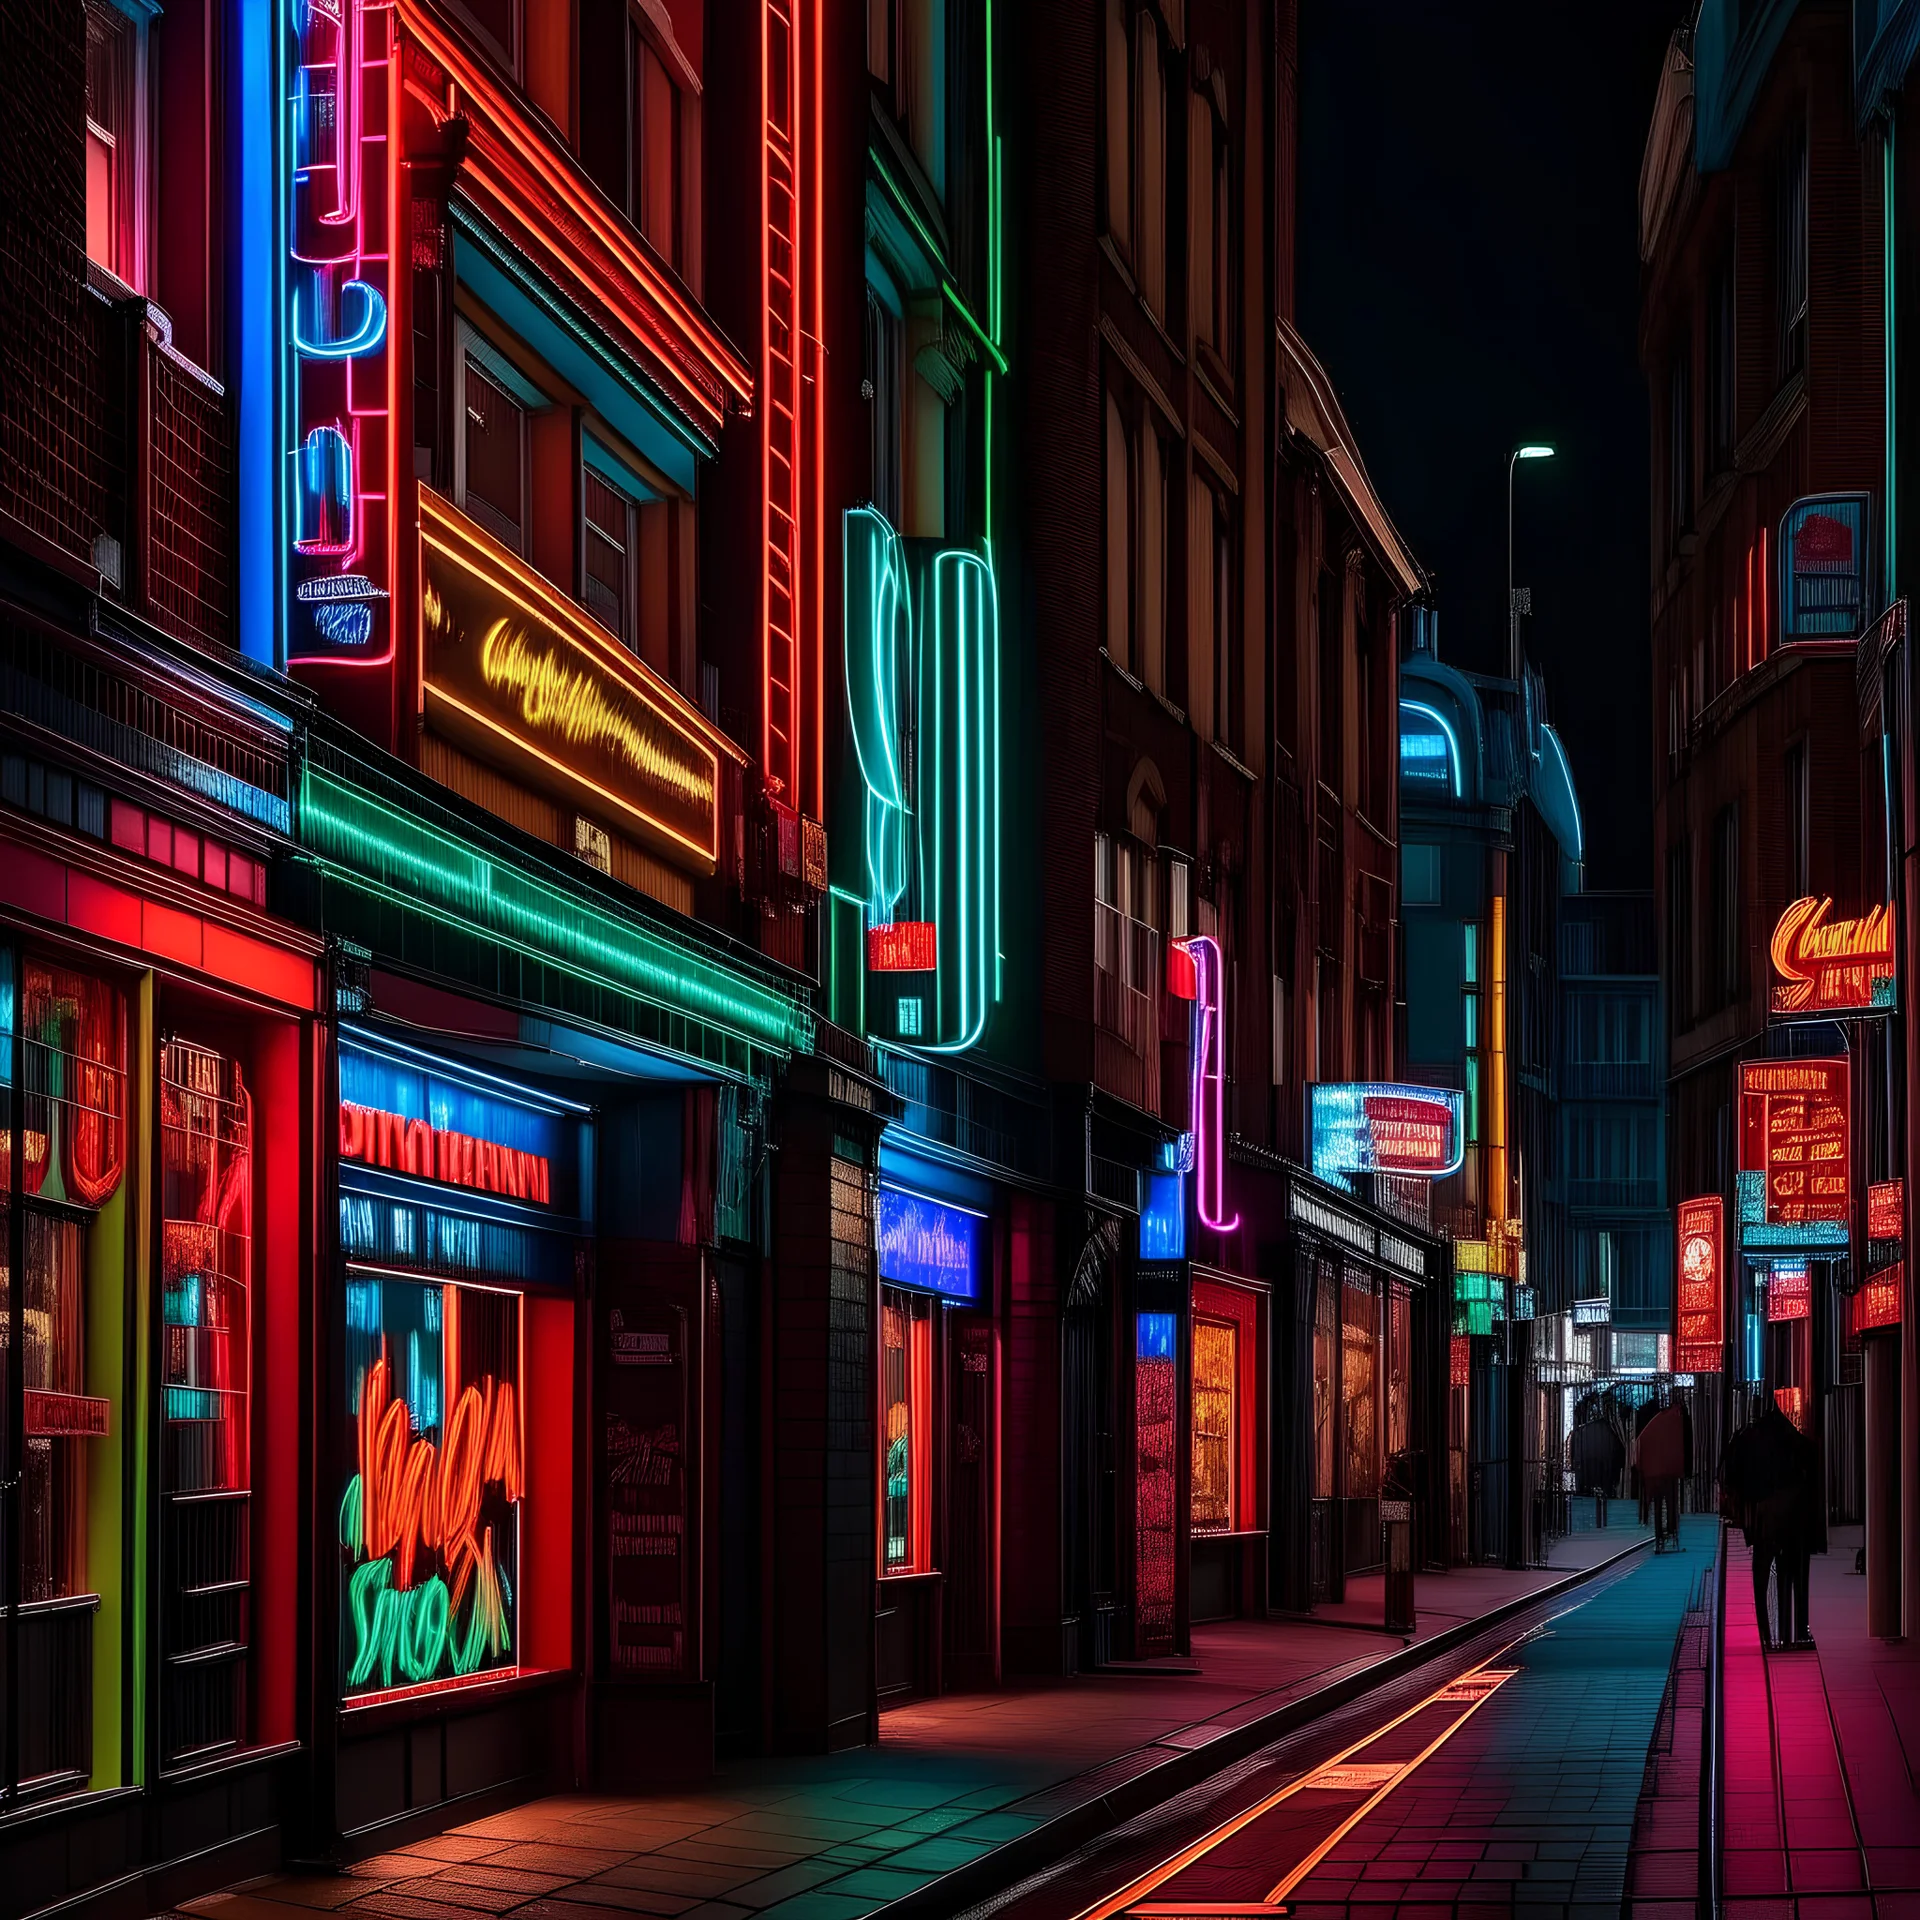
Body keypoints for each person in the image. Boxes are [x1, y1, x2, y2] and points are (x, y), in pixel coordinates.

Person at [1720, 1391, 1824, 1650]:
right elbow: (1812, 1469)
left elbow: (1729, 1476)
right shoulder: (1795, 1439)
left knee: (1761, 1573)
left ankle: (1765, 1634)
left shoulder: (1746, 1437)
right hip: (1791, 1516)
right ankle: (1797, 1630)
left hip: (1761, 1516)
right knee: (1793, 1573)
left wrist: (1745, 1507)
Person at [1639, 1399, 1687, 1550]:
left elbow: (1642, 1444)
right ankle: (1671, 1532)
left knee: (1658, 1505)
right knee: (1671, 1502)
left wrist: (1643, 1469)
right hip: (1669, 1472)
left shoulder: (1655, 1423)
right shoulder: (1675, 1422)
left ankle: (1659, 1535)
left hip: (1654, 1473)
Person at [1569, 1405, 1625, 1529]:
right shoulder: (1611, 1430)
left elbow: (1573, 1454)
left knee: (1585, 1496)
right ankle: (1604, 1521)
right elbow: (1618, 1452)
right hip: (1605, 1468)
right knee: (1606, 1494)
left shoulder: (1579, 1432)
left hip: (1586, 1469)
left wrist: (1574, 1465)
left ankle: (1590, 1521)